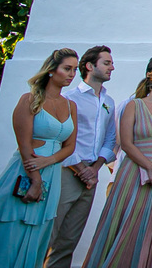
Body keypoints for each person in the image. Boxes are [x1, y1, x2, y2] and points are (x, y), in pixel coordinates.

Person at [82, 61, 152, 268]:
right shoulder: (134, 105)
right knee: (128, 221)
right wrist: (150, 168)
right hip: (135, 173)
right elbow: (126, 143)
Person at [0, 49, 78, 268]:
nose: (71, 74)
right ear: (51, 70)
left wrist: (48, 161)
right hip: (26, 171)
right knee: (13, 228)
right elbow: (24, 145)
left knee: (40, 231)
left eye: (74, 70)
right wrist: (35, 179)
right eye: (67, 69)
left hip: (51, 174)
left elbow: (70, 147)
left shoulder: (71, 106)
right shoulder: (30, 99)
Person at [45, 45, 117, 268]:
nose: (112, 67)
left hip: (91, 176)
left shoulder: (109, 102)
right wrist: (80, 169)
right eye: (106, 63)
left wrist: (94, 169)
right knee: (51, 233)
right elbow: (63, 138)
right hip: (68, 171)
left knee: (70, 238)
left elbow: (110, 139)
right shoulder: (70, 98)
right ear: (90, 66)